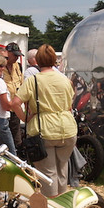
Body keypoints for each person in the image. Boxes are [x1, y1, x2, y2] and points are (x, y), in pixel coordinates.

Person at [11, 44, 76, 197]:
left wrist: (25, 118)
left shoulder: (33, 80)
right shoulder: (65, 80)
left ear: (37, 61)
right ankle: (63, 207)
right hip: (67, 129)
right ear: (54, 60)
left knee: (48, 175)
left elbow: (15, 103)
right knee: (62, 171)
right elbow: (69, 105)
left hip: (44, 130)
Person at [4, 42, 24, 151]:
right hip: (3, 108)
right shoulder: (0, 67)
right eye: (15, 55)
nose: (17, 58)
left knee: (17, 139)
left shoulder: (18, 66)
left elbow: (22, 84)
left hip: (15, 108)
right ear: (8, 53)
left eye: (18, 55)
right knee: (5, 140)